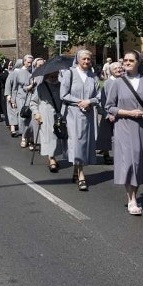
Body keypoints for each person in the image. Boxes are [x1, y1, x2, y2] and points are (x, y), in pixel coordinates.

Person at [105, 51, 143, 215]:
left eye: (131, 60)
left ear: (138, 62)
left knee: (139, 162)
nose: (127, 63)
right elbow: (109, 107)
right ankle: (132, 199)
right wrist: (129, 113)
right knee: (129, 162)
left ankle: (134, 194)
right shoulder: (117, 83)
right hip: (124, 126)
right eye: (125, 60)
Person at [61, 50, 100, 190]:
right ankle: (81, 175)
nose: (86, 61)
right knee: (77, 143)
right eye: (83, 59)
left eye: (89, 59)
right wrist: (80, 102)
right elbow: (63, 94)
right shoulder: (69, 74)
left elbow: (99, 96)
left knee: (85, 144)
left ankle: (76, 170)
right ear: (78, 60)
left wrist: (89, 101)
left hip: (88, 114)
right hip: (73, 114)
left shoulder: (93, 76)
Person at [30, 69, 67, 173]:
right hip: (46, 116)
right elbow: (33, 102)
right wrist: (36, 113)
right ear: (47, 76)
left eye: (56, 76)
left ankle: (54, 157)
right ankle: (51, 159)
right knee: (49, 137)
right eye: (52, 77)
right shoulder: (41, 87)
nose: (54, 79)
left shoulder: (62, 86)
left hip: (59, 115)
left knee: (59, 137)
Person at [95, 62, 121, 164]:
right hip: (109, 112)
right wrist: (107, 114)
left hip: (121, 112)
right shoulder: (108, 83)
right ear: (111, 71)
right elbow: (103, 99)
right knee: (106, 135)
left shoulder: (125, 80)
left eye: (120, 68)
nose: (118, 70)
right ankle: (106, 154)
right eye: (116, 69)